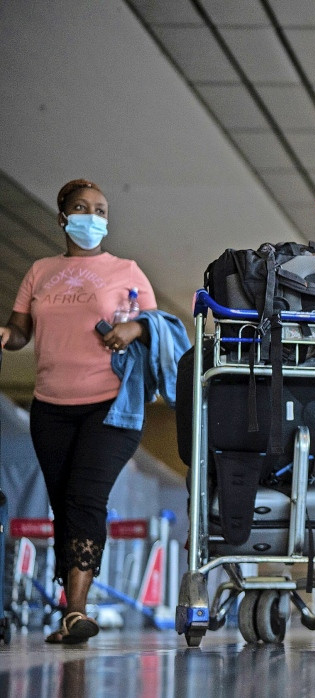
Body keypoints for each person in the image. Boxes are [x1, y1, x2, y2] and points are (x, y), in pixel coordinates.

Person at [0, 179, 156, 644]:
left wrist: (133, 331)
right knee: (65, 503)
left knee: (86, 497)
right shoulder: (41, 271)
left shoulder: (126, 269)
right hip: (50, 407)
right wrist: (6, 337)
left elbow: (158, 326)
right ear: (63, 217)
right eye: (83, 208)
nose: (94, 216)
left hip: (110, 406)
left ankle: (77, 611)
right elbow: (21, 330)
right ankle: (71, 602)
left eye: (102, 210)